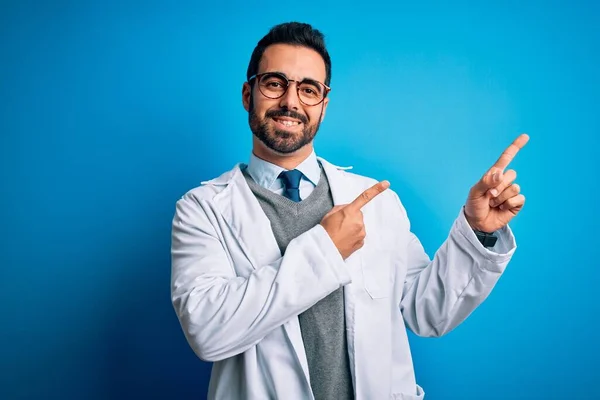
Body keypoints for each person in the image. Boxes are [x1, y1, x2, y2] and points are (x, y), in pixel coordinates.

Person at [170, 21, 528, 400]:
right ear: (248, 94)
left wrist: (477, 231)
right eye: (275, 83)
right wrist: (326, 248)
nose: (291, 102)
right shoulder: (202, 209)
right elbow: (207, 331)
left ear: (323, 106)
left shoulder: (375, 201)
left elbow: (427, 312)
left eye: (309, 90)